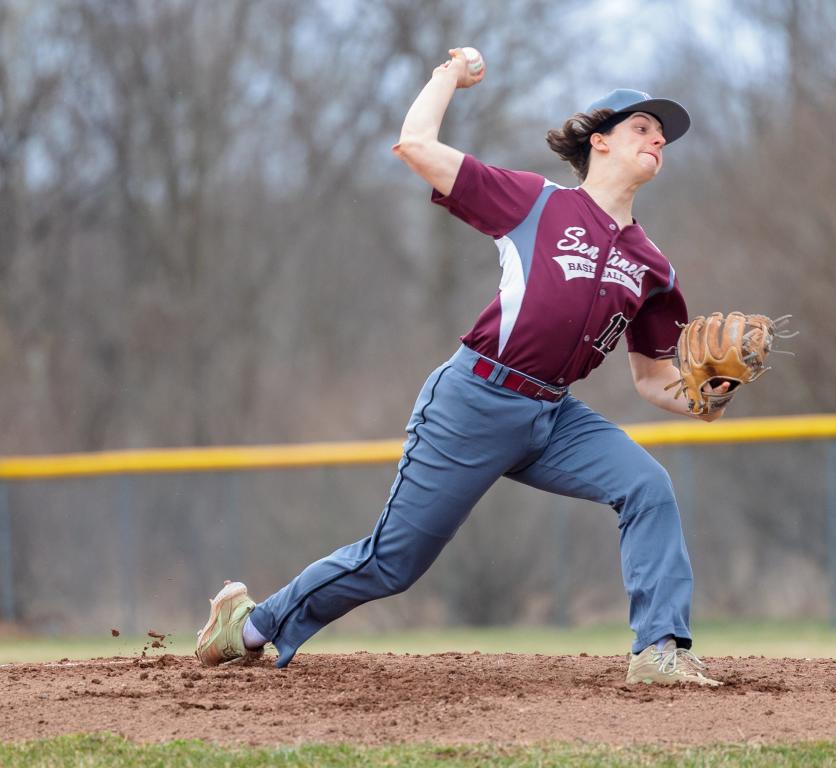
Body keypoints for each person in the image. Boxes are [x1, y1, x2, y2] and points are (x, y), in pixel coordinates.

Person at [195, 47, 732, 686]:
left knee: (647, 486)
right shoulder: (537, 203)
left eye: (663, 135)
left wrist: (707, 396)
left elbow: (653, 380)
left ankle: (659, 652)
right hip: (474, 399)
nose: (658, 139)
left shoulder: (653, 266)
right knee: (392, 562)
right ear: (600, 142)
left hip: (553, 415)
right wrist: (447, 75)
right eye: (642, 127)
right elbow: (415, 145)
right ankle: (251, 625)